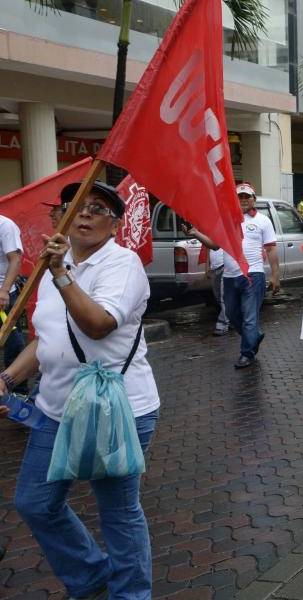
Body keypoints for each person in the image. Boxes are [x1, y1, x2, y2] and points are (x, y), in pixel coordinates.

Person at [0, 180, 160, 599]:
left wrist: (60, 275)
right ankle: (91, 576)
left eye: (98, 209)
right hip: (55, 409)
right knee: (35, 503)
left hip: (117, 409)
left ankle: (130, 594)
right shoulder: (55, 263)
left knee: (119, 512)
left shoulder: (121, 266)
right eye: (75, 207)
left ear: (115, 226)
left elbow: (98, 323)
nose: (85, 214)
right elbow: (47, 338)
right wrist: (8, 378)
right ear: (59, 218)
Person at [190, 183, 280, 369]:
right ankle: (254, 334)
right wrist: (196, 233)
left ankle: (247, 353)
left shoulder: (263, 221)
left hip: (252, 275)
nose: (244, 200)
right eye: (240, 197)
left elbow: (271, 249)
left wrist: (275, 276)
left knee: (249, 316)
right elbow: (215, 245)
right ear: (235, 200)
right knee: (231, 314)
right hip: (230, 277)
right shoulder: (227, 221)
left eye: (247, 197)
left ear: (254, 199)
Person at [0, 211, 25, 370]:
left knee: (12, 341)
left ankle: (17, 389)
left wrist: (4, 291)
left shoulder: (5, 225)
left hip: (3, 295)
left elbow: (15, 260)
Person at [206, 248, 230, 336]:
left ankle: (222, 324)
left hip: (225, 266)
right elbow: (208, 249)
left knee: (223, 297)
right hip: (214, 268)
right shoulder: (211, 235)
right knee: (218, 296)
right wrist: (207, 267)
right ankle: (232, 318)